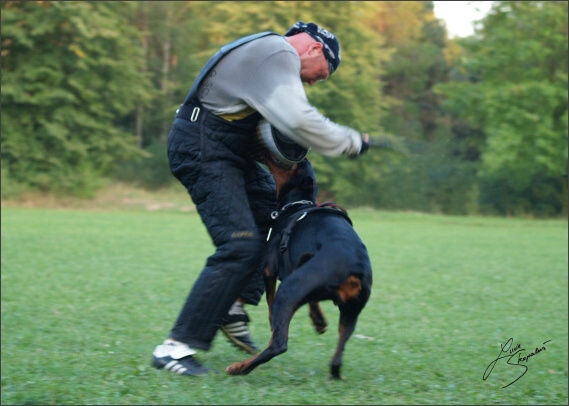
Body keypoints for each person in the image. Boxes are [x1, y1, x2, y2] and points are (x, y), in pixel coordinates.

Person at [152, 21, 370, 376]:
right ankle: (174, 348)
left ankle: (233, 304)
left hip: (226, 151)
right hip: (202, 148)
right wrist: (350, 141)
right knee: (239, 244)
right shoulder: (276, 52)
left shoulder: (270, 57)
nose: (313, 81)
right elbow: (299, 118)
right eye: (322, 75)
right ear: (316, 50)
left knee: (275, 217)